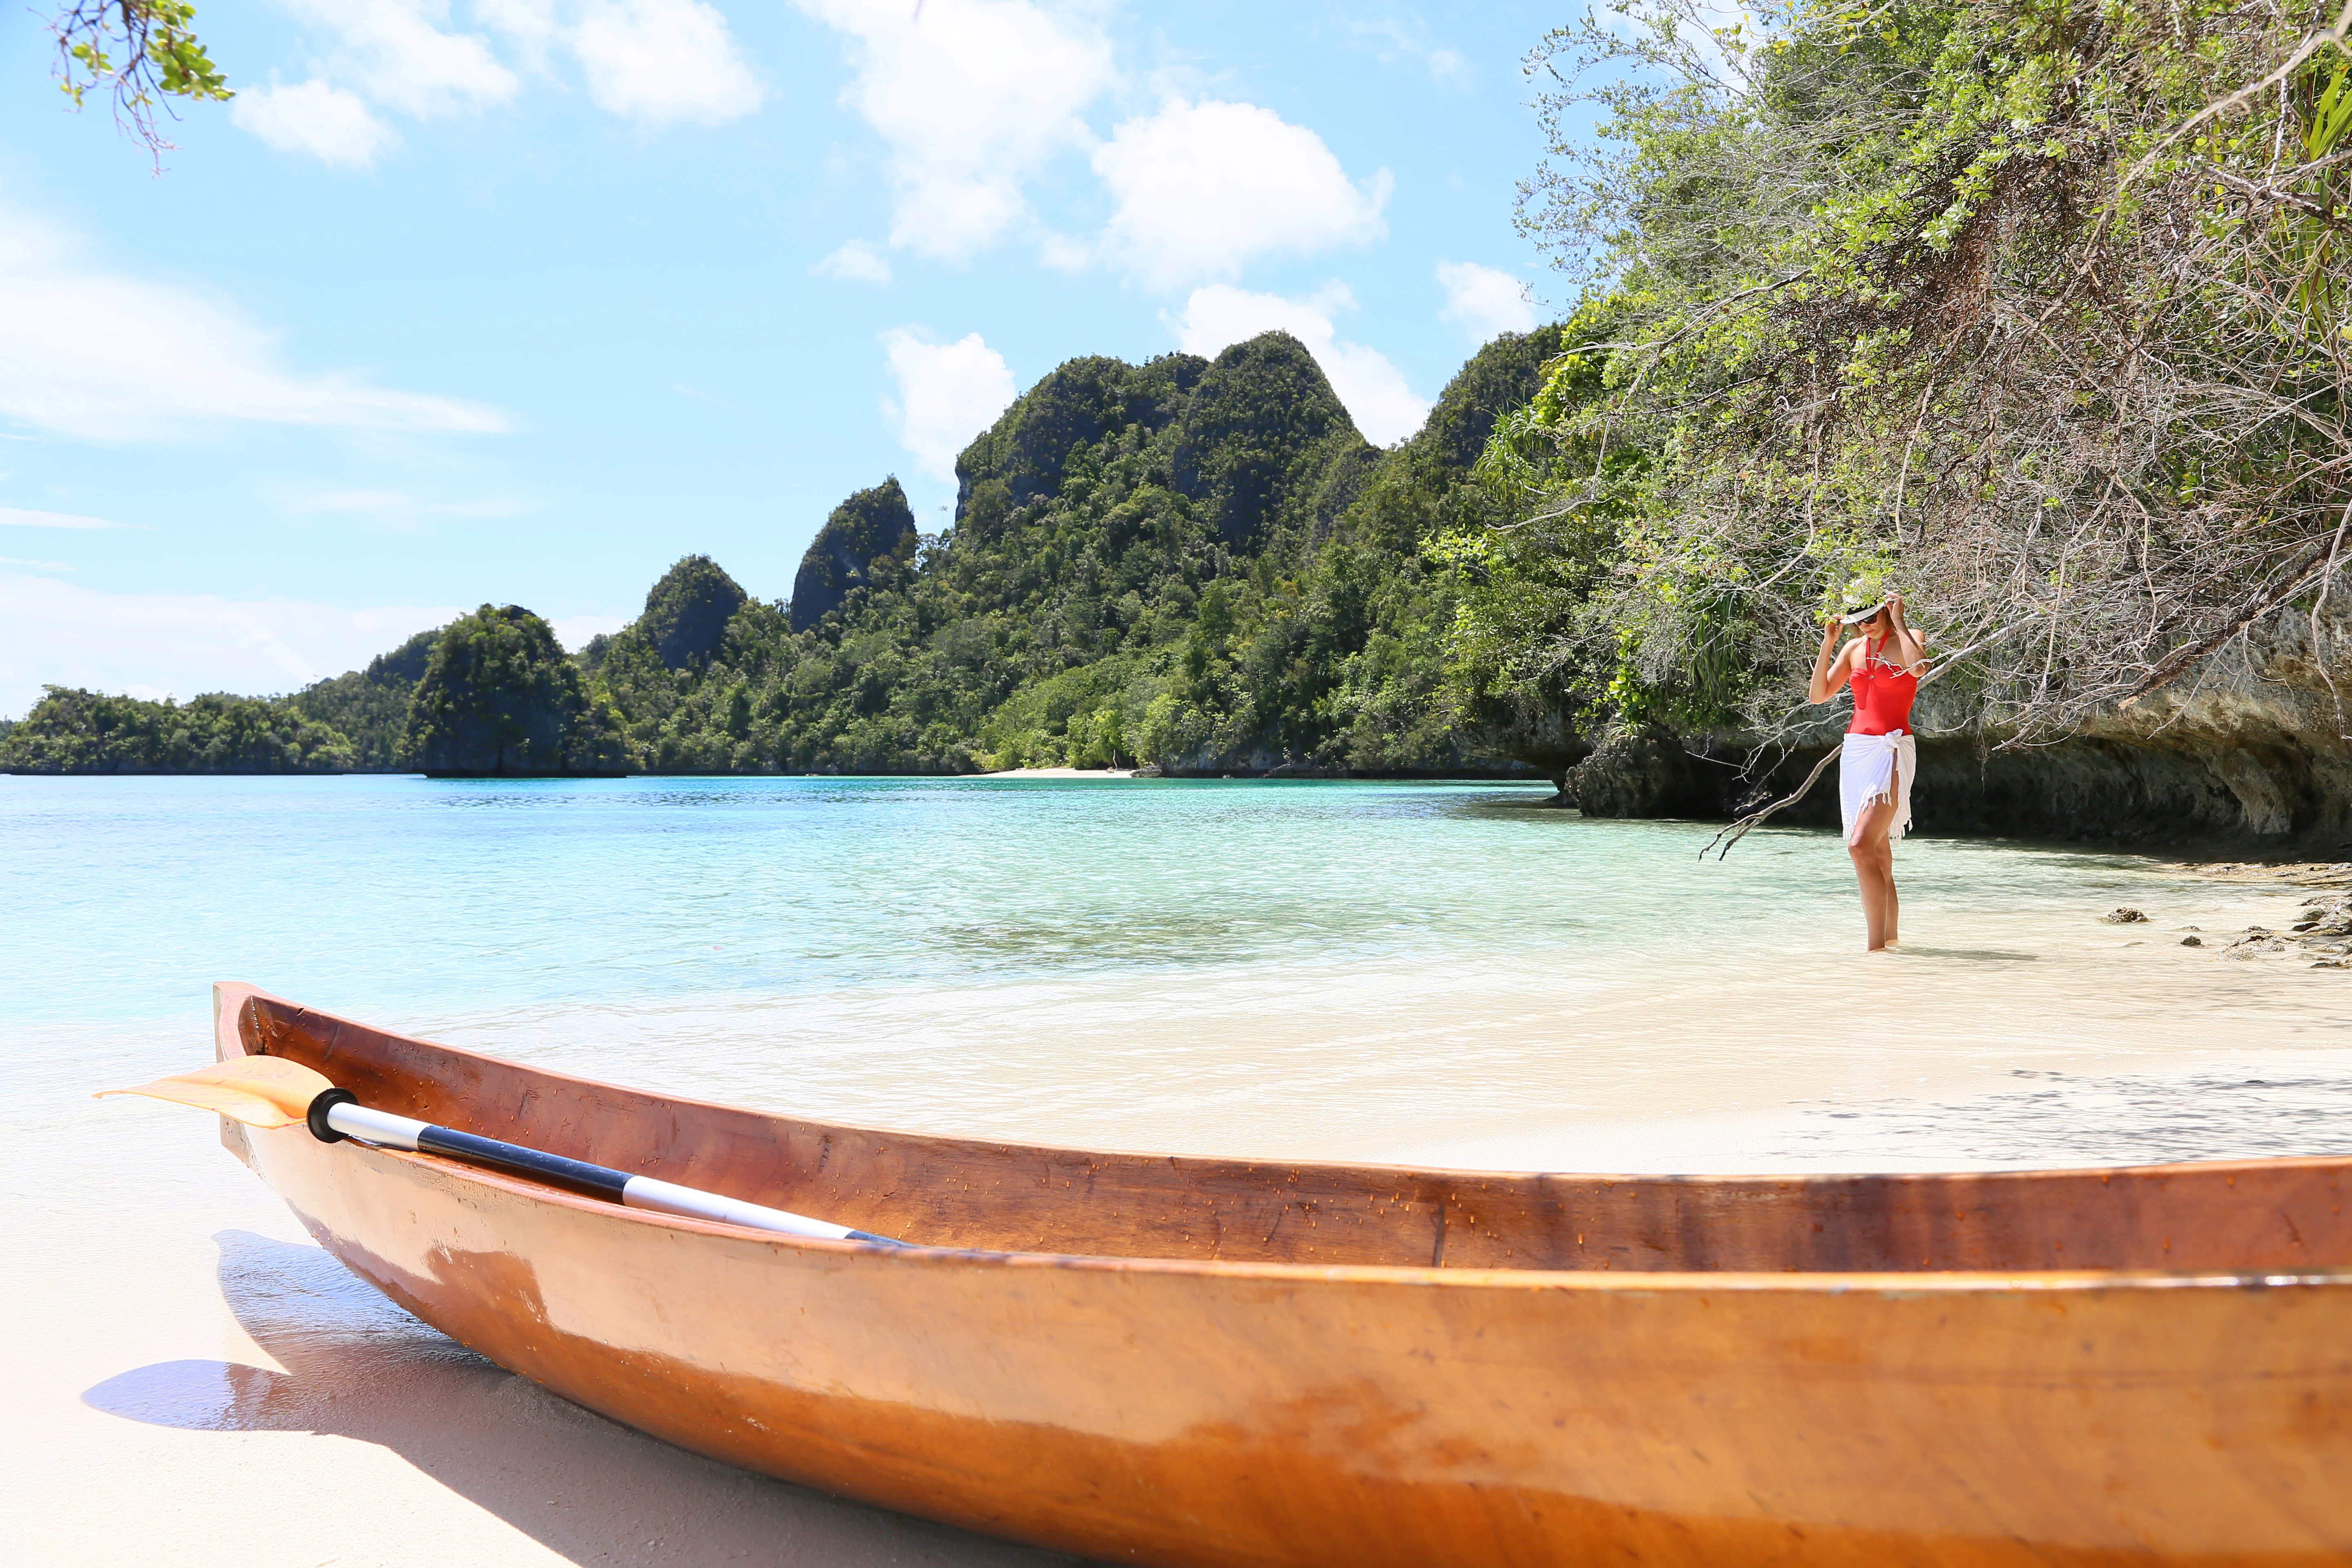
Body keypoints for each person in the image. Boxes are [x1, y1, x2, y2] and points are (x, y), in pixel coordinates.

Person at [1807, 592, 1928, 951]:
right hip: (1857, 751)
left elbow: (1919, 668)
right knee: (1877, 856)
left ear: (1887, 611)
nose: (1866, 624)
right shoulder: (1853, 649)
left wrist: (1901, 621)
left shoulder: (1910, 638)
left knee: (1860, 846)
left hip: (1891, 747)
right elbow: (1818, 695)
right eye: (1859, 619)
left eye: (1873, 616)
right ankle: (1891, 945)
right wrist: (1829, 644)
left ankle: (1874, 950)